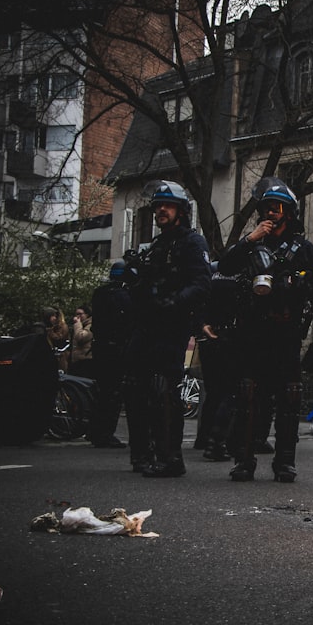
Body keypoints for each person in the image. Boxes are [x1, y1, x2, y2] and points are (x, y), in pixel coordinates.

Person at [216, 177, 313, 482]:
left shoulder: (304, 249)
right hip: (253, 335)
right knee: (248, 396)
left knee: (289, 398)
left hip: (287, 334)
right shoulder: (253, 243)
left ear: (290, 212)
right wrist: (249, 240)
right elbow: (224, 267)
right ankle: (244, 460)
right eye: (267, 207)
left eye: (278, 207)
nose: (272, 212)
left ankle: (285, 462)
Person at [124, 180, 211, 477]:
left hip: (172, 326)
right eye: (158, 205)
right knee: (136, 387)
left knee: (164, 389)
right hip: (146, 325)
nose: (161, 209)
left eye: (168, 205)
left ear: (181, 211)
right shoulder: (156, 246)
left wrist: (173, 303)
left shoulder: (191, 243)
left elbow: (201, 284)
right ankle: (142, 452)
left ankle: (171, 457)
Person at [192, 262, 243, 461]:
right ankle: (217, 441)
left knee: (213, 392)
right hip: (232, 339)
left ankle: (203, 438)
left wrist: (202, 325)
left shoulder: (210, 280)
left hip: (209, 340)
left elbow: (196, 304)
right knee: (230, 391)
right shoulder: (240, 280)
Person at [85, 261, 134, 449]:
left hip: (100, 346)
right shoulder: (124, 296)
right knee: (113, 392)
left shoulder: (100, 293)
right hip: (116, 348)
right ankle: (105, 433)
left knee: (102, 390)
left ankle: (94, 430)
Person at [41, 306, 70, 372]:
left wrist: (50, 331)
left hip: (60, 356)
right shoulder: (42, 328)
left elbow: (60, 339)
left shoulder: (62, 326)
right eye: (53, 316)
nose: (55, 318)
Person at [68, 305, 94, 378]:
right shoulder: (79, 326)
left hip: (85, 361)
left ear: (87, 315)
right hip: (76, 361)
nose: (77, 316)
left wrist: (77, 324)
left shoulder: (91, 325)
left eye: (80, 314)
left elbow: (81, 338)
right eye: (76, 314)